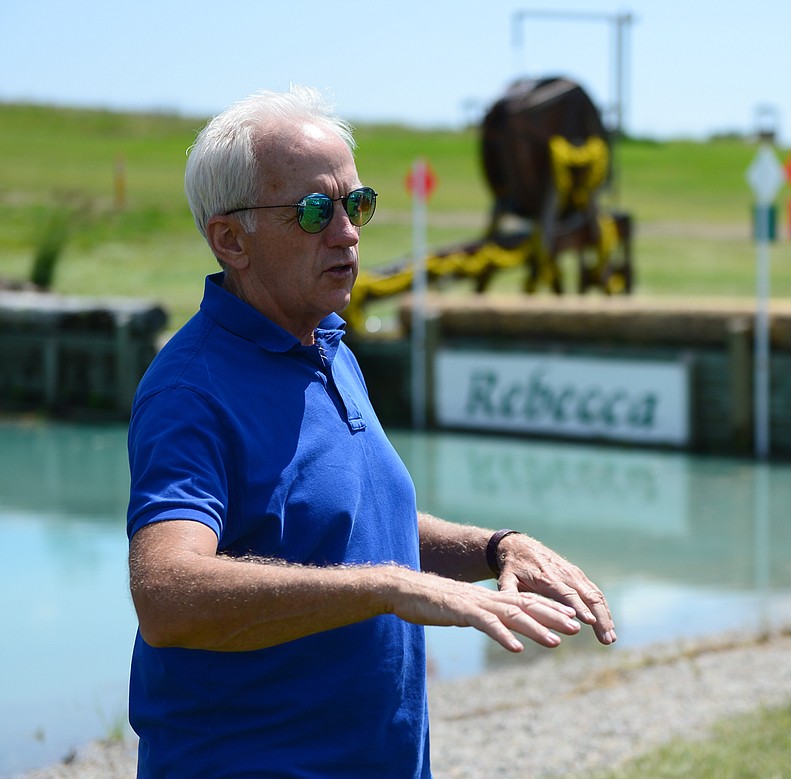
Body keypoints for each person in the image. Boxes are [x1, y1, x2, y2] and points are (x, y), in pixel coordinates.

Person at [125, 85, 617, 779]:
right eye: (315, 210)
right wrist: (385, 586)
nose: (348, 232)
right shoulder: (191, 389)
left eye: (356, 205)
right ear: (231, 239)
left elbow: (354, 523)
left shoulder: (329, 345)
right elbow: (166, 594)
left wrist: (496, 547)